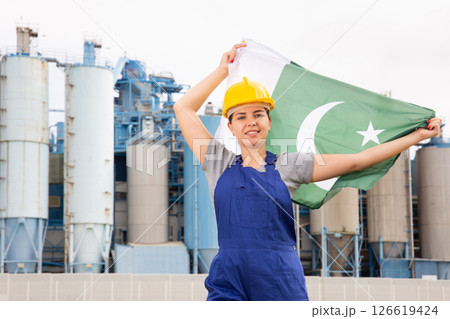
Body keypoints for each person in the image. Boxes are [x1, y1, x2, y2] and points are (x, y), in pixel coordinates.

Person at [173, 43, 442, 301]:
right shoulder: (217, 161)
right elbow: (183, 107)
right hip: (228, 278)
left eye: (258, 114)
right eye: (240, 117)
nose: (250, 122)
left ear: (269, 121)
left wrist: (416, 136)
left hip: (279, 275)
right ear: (230, 127)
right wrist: (223, 70)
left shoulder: (290, 165)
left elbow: (358, 160)